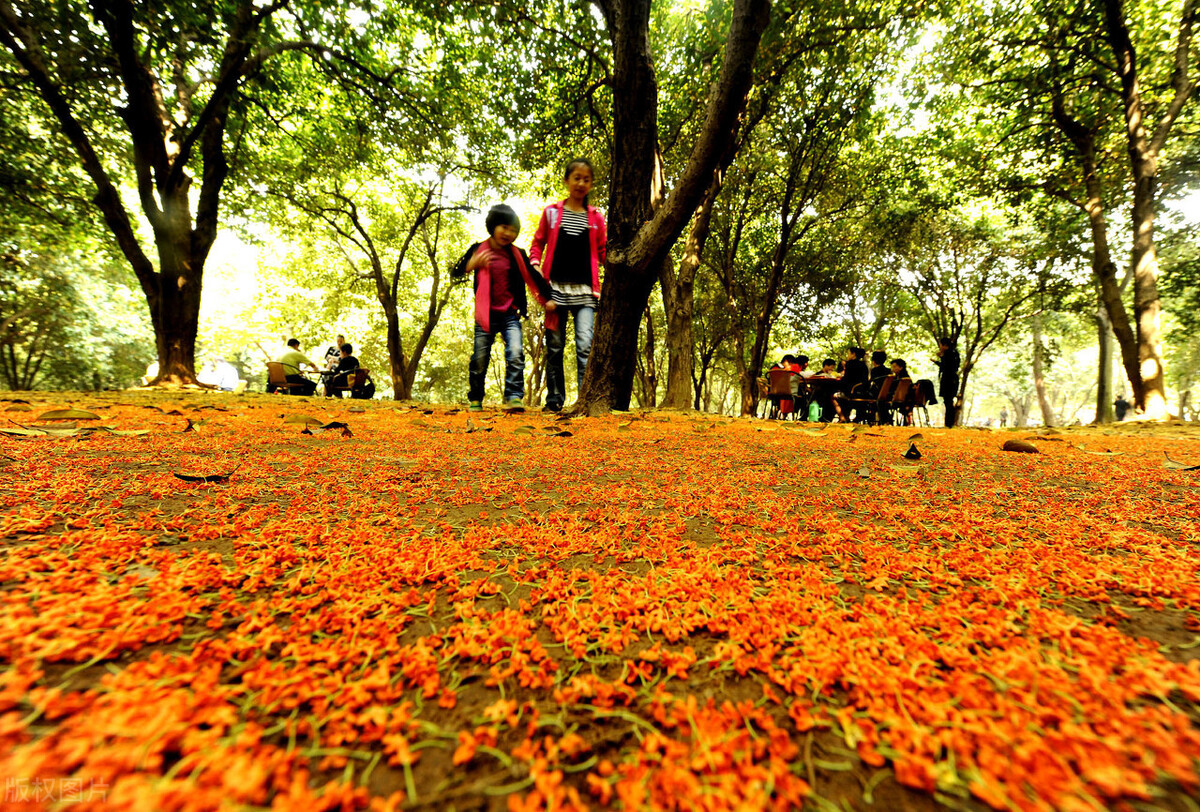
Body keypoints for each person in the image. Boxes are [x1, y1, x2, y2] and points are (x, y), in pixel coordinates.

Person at [452, 203, 555, 412]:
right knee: (479, 359)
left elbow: (534, 277)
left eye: (513, 230)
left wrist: (548, 298)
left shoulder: (517, 254)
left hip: (510, 314)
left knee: (516, 352)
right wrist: (473, 263)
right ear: (492, 226)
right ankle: (475, 399)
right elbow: (456, 271)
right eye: (504, 227)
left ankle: (513, 397)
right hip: (485, 316)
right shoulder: (477, 249)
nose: (508, 233)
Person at [529, 158, 607, 412]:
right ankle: (554, 400)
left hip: (586, 291)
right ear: (567, 181)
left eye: (586, 179)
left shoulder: (596, 218)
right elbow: (537, 243)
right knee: (555, 345)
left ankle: (585, 399)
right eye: (576, 178)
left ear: (591, 183)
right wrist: (535, 264)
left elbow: (604, 251)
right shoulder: (551, 213)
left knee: (585, 343)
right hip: (555, 290)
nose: (581, 183)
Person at [833, 346, 869, 421]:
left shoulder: (850, 364)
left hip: (851, 391)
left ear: (853, 354)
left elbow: (847, 379)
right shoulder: (864, 365)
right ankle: (845, 417)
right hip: (862, 391)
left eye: (848, 353)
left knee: (832, 396)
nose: (847, 355)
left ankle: (843, 418)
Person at [934, 336, 960, 427]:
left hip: (948, 380)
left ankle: (949, 423)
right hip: (952, 379)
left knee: (948, 402)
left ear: (945, 345)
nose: (940, 347)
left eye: (940, 345)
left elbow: (946, 367)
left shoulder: (949, 354)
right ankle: (949, 423)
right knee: (948, 401)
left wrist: (941, 357)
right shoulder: (954, 353)